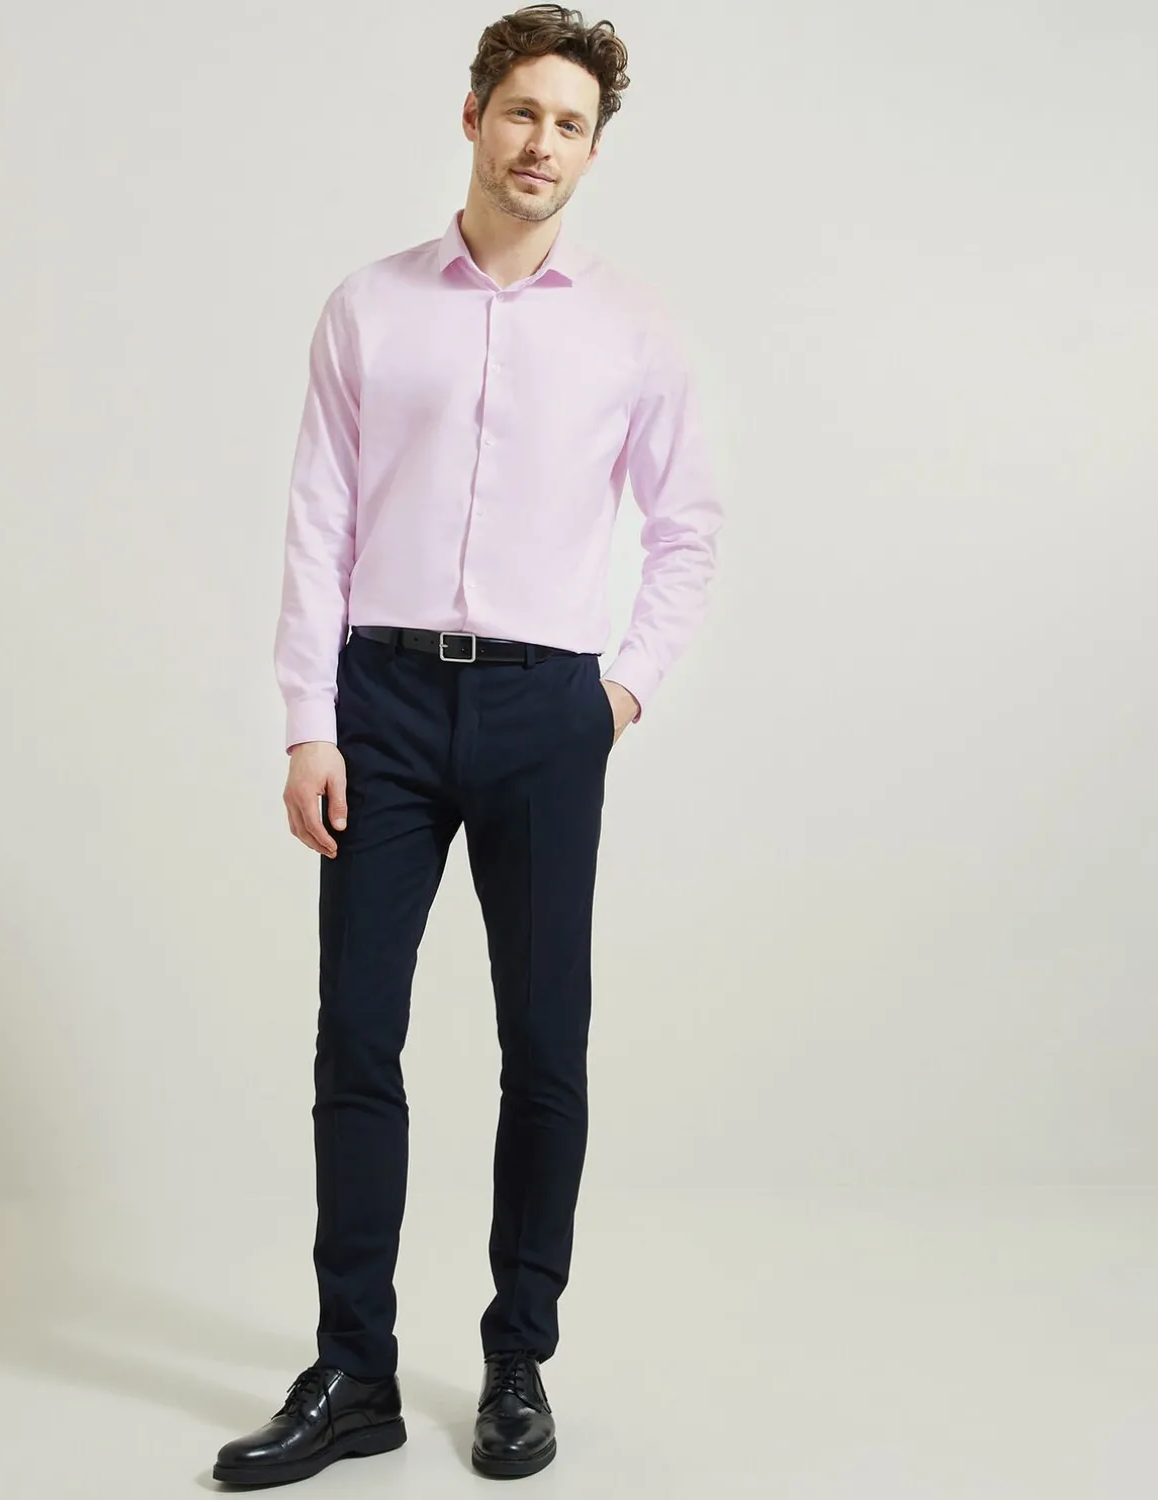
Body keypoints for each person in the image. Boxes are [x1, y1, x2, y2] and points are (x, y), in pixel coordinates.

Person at [212, 3, 721, 1487]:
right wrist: (308, 720)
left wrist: (618, 693)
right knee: (356, 1036)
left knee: (543, 1042)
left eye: (571, 124)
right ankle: (353, 1373)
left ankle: (517, 1361)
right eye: (522, 112)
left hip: (544, 713)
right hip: (379, 703)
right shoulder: (370, 308)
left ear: (593, 149)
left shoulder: (632, 329)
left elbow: (687, 529)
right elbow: (318, 521)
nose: (541, 143)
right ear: (473, 118)